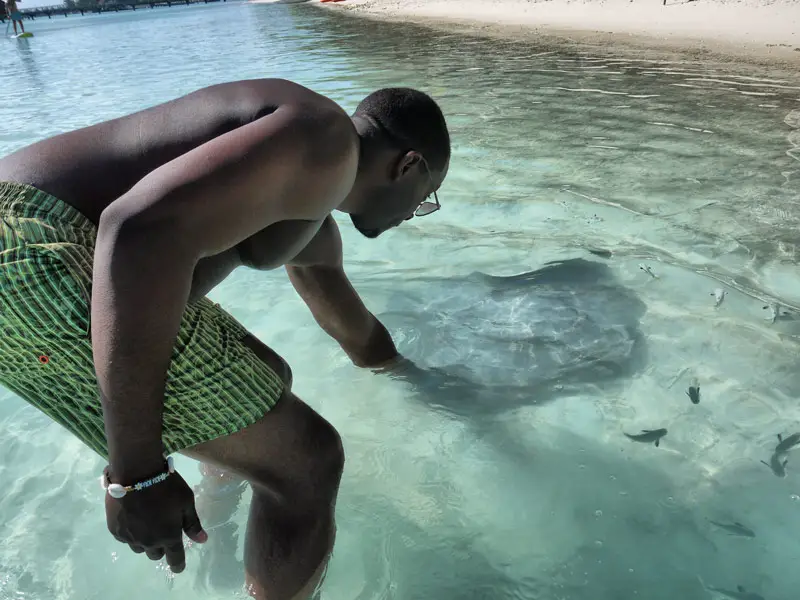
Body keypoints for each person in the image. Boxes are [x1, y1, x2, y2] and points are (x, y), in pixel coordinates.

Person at [0, 78, 450, 599]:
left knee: (271, 375)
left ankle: (209, 543)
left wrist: (436, 391)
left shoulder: (299, 199)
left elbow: (361, 336)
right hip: (28, 243)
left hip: (32, 247)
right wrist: (137, 473)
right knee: (309, 464)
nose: (415, 214)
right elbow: (132, 231)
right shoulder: (327, 141)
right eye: (427, 199)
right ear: (409, 166)